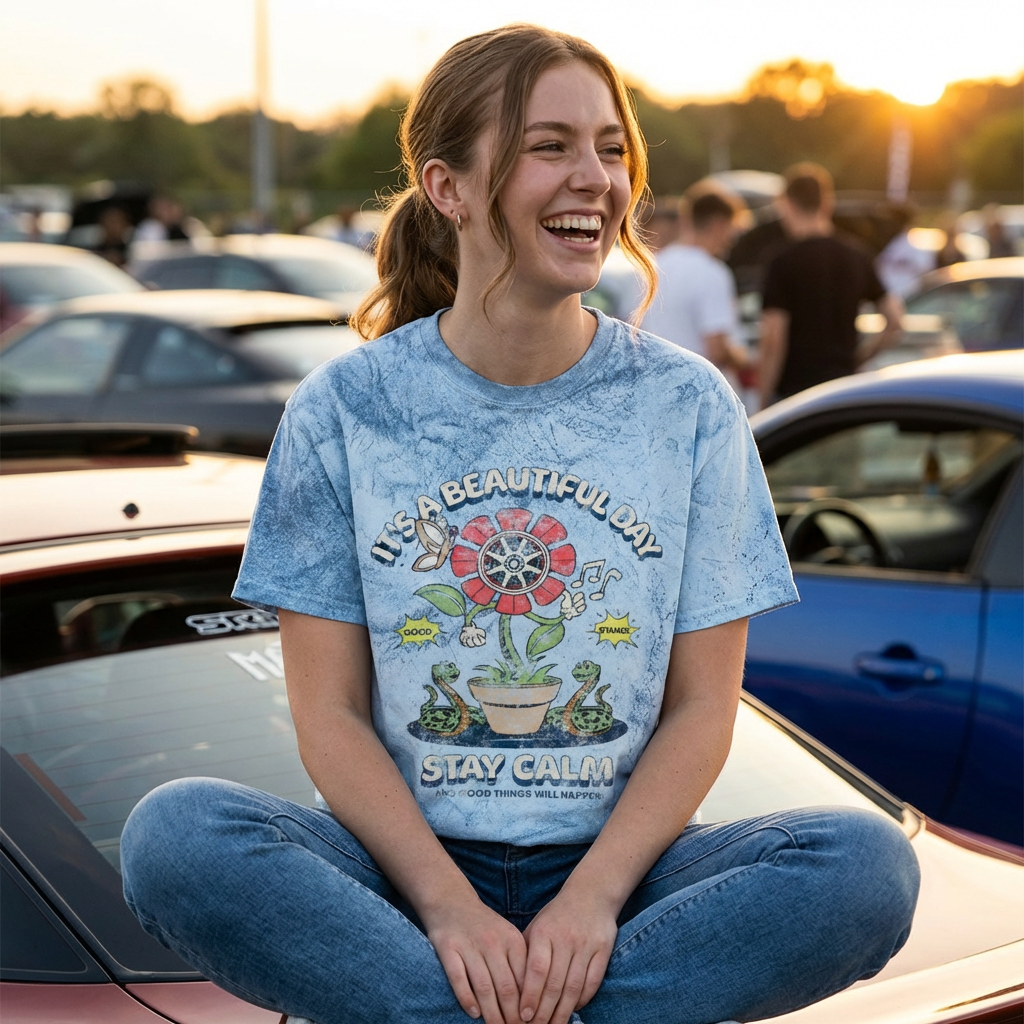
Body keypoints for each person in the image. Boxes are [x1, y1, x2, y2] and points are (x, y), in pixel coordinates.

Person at [119, 26, 919, 1024]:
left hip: (631, 877)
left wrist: (588, 904)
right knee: (174, 834)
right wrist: (450, 911)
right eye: (549, 146)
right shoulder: (343, 410)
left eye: (611, 147)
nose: (596, 178)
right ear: (447, 187)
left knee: (867, 866)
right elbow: (329, 715)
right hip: (400, 873)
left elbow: (702, 710)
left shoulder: (690, 407)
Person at [759, 163, 903, 405]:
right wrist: (857, 359)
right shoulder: (857, 255)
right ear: (827, 204)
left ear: (787, 205)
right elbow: (896, 320)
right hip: (842, 393)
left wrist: (762, 402)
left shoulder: (782, 262)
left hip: (795, 397)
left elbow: (773, 338)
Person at [641, 185, 751, 383]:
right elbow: (716, 348)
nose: (730, 240)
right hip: (704, 390)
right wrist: (745, 359)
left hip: (660, 385)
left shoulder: (654, 266)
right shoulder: (713, 273)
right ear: (719, 224)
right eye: (731, 230)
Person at [875, 203, 936, 299]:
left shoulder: (918, 246)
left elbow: (927, 277)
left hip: (910, 300)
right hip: (888, 298)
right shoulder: (889, 244)